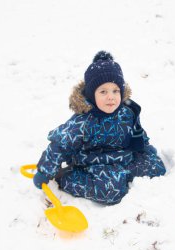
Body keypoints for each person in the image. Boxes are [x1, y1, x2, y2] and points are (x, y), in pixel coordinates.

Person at [33, 51, 166, 205]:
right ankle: (66, 178)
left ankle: (123, 176)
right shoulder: (84, 121)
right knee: (111, 191)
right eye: (103, 92)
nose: (111, 97)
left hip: (122, 157)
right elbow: (59, 145)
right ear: (91, 94)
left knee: (156, 168)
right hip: (94, 163)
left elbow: (136, 132)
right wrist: (45, 171)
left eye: (115, 91)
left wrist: (144, 146)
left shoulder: (127, 112)